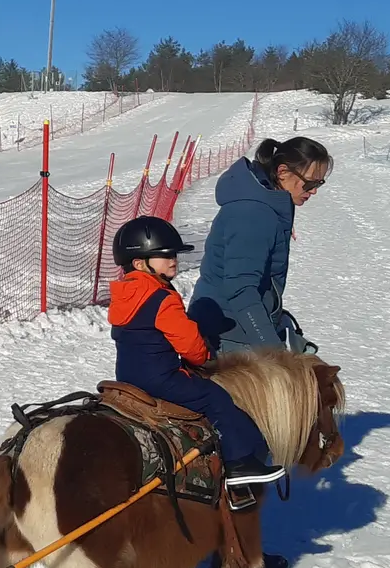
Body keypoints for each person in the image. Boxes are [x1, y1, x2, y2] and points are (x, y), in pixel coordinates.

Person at [108, 216, 285, 494]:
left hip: (127, 378)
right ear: (140, 264)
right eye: (164, 255)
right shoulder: (162, 298)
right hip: (161, 379)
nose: (173, 260)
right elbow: (189, 343)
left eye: (174, 254)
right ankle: (239, 464)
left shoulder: (123, 296)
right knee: (216, 398)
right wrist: (204, 358)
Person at [189, 137, 334, 356]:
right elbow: (241, 290)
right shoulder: (252, 214)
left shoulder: (265, 206)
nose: (314, 191)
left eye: (319, 184)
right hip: (230, 338)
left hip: (238, 330)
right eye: (310, 183)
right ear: (283, 172)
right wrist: (274, 352)